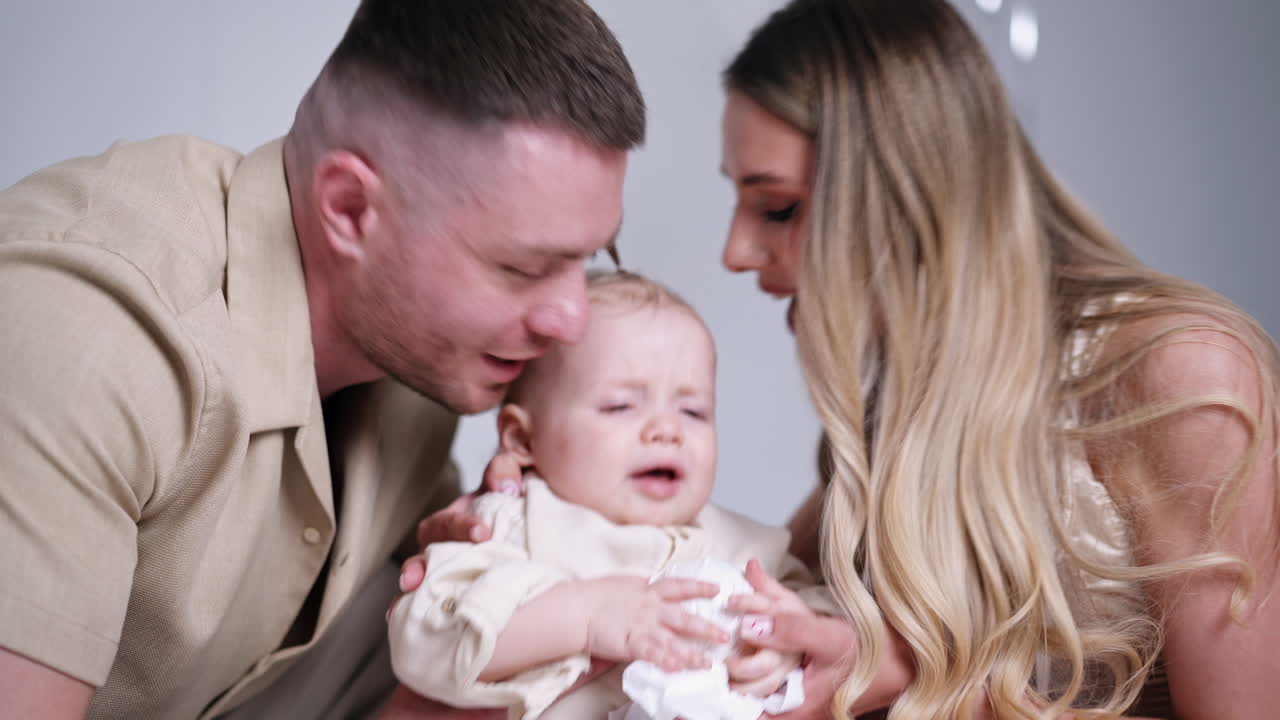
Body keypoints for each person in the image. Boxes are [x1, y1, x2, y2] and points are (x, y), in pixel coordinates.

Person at [409, 0, 1280, 717]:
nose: (735, 253)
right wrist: (516, 548)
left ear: (907, 196)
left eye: (778, 209)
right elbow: (737, 580)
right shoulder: (894, 413)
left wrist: (888, 680)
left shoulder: (1182, 379)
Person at [0, 1, 644, 717]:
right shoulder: (88, 342)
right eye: (523, 267)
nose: (573, 319)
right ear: (348, 207)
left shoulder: (423, 357)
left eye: (594, 257)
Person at [389, 271, 832, 720]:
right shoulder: (509, 526)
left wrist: (781, 649)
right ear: (522, 440)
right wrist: (585, 617)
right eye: (621, 406)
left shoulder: (749, 548)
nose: (667, 430)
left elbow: (818, 620)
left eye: (693, 410)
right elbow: (427, 641)